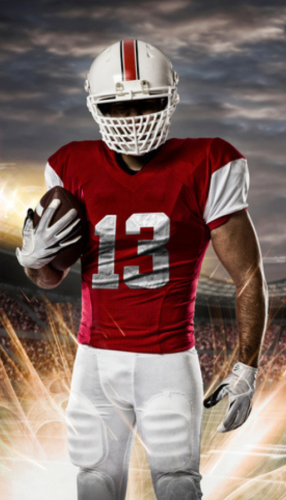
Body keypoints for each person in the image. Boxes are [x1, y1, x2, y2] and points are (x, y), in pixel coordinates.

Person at [16, 39, 268, 500]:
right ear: (95, 107)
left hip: (167, 359)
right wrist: (35, 262)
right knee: (93, 481)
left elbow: (247, 274)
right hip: (93, 359)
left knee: (176, 485)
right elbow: (50, 277)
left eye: (146, 103)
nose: (133, 119)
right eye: (118, 107)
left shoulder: (207, 161)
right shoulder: (71, 165)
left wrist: (248, 364)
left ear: (170, 98)